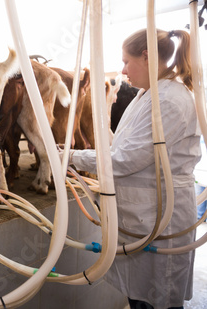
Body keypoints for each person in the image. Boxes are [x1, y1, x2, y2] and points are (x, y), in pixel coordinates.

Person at [63, 28, 201, 309]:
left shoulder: (168, 100)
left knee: (156, 299)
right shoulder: (147, 95)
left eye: (126, 61)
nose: (123, 70)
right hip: (142, 216)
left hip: (159, 216)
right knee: (141, 296)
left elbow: (126, 159)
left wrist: (72, 157)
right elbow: (121, 150)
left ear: (147, 57)